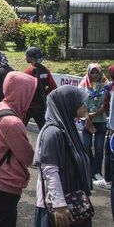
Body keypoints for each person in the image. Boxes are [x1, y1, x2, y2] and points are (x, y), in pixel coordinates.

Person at [34, 86, 92, 227]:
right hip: (60, 210)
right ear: (67, 104)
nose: (84, 106)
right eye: (80, 102)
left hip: (74, 203)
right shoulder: (52, 133)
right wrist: (59, 205)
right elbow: (50, 171)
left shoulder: (67, 128)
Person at [0, 71, 37, 227]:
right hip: (7, 181)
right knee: (4, 221)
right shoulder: (13, 123)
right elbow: (27, 157)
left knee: (1, 218)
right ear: (21, 92)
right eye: (29, 92)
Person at [78, 63, 111, 187]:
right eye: (92, 72)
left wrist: (96, 113)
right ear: (89, 72)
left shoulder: (106, 84)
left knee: (98, 147)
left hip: (101, 120)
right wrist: (88, 117)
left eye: (97, 72)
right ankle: (89, 169)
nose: (95, 74)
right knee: (86, 145)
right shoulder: (82, 85)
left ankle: (97, 171)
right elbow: (80, 103)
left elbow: (106, 104)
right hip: (86, 120)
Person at [23, 47, 57, 129]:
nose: (25, 58)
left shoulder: (28, 71)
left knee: (21, 128)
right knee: (44, 129)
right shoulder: (45, 70)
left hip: (28, 106)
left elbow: (23, 89)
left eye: (26, 56)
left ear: (31, 58)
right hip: (40, 106)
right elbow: (53, 87)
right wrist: (44, 93)